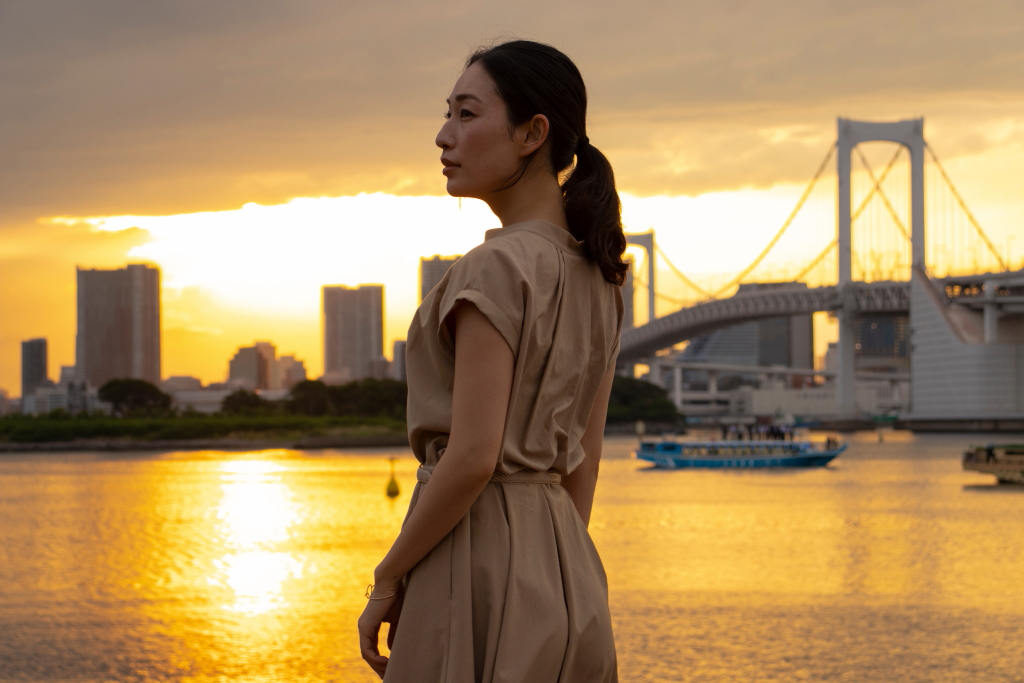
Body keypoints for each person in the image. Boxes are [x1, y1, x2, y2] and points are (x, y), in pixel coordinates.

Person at [357, 40, 625, 682]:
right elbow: (583, 463)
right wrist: (553, 570)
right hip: (568, 571)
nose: (444, 135)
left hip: (470, 558)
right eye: (447, 113)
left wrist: (388, 578)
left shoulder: (494, 268)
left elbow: (474, 456)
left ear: (533, 133)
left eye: (467, 114)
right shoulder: (603, 280)